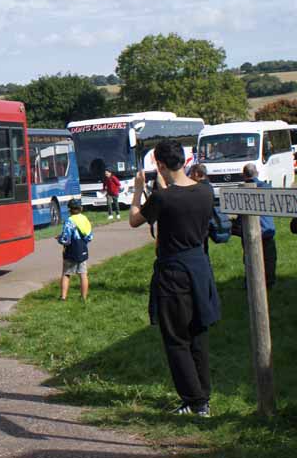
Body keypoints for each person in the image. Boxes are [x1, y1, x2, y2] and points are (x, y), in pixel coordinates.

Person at [130, 139, 219, 417]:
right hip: (200, 268)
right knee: (198, 334)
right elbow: (181, 198)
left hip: (173, 272)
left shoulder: (162, 198)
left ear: (160, 164)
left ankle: (194, 401)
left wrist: (136, 192)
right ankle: (203, 396)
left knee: (176, 339)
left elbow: (134, 219)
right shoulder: (205, 191)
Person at [240, 163, 277, 290]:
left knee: (250, 260)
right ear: (257, 173)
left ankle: (250, 282)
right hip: (267, 231)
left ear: (243, 175)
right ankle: (269, 283)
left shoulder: (241, 191)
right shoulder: (267, 188)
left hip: (250, 233)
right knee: (269, 260)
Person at [57, 198, 93, 301]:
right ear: (81, 208)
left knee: (66, 274)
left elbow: (65, 239)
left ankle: (63, 297)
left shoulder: (69, 221)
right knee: (83, 274)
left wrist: (59, 239)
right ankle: (83, 297)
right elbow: (90, 237)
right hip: (82, 249)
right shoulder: (85, 219)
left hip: (71, 251)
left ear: (70, 210)